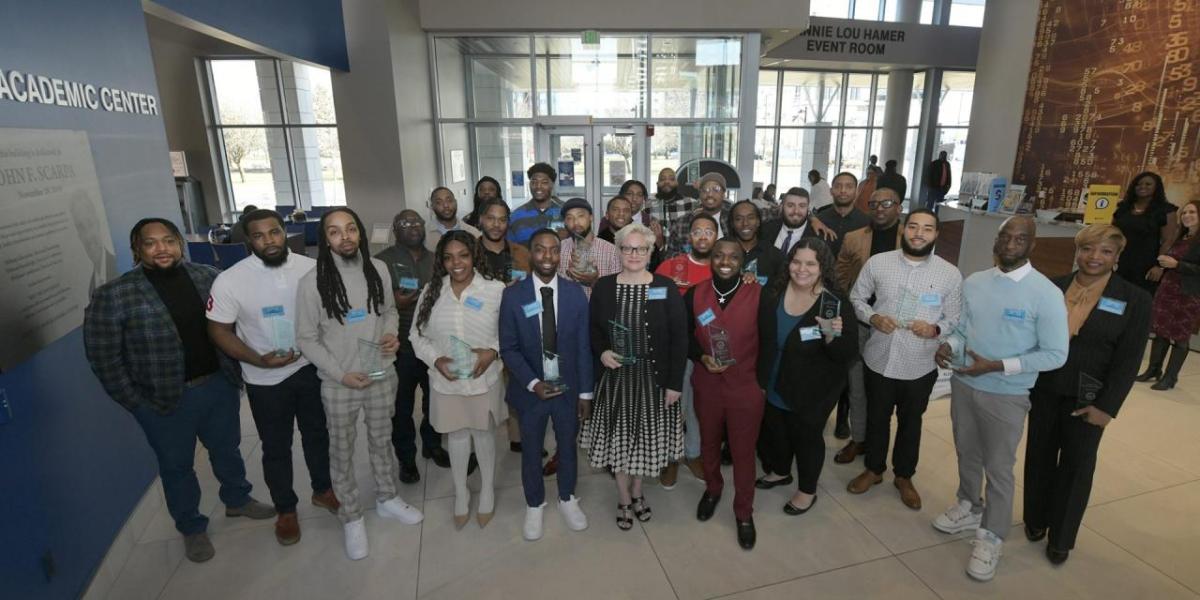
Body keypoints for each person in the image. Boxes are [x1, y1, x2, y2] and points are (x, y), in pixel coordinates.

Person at [85, 218, 274, 563]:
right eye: (151, 243)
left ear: (180, 244)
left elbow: (235, 326)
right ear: (136, 250)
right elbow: (103, 357)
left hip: (217, 385)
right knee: (177, 466)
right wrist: (136, 403)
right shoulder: (114, 295)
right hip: (163, 400)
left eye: (169, 241)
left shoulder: (208, 278)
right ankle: (191, 526)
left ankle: (237, 499)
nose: (162, 249)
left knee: (227, 448)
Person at [932, 216, 1068, 582]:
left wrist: (997, 366)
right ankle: (968, 504)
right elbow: (963, 330)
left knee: (999, 469)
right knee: (967, 452)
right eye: (1005, 235)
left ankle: (991, 536)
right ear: (996, 240)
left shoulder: (1046, 293)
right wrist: (949, 344)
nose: (1011, 242)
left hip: (1007, 395)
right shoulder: (976, 282)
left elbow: (1056, 354)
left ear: (1032, 245)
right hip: (964, 385)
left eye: (1020, 237)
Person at [295, 207, 424, 561]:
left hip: (380, 371)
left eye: (350, 228)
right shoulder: (312, 283)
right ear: (325, 239)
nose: (345, 236)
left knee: (382, 440)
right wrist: (339, 374)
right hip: (339, 382)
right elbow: (305, 338)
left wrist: (389, 336)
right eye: (335, 232)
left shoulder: (377, 269)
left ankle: (386, 497)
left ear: (360, 232)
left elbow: (388, 312)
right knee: (342, 450)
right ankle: (351, 516)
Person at [206, 209, 337, 546]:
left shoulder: (311, 268)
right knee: (276, 447)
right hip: (264, 379)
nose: (270, 241)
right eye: (260, 235)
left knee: (318, 435)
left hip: (310, 369)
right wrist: (257, 360)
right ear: (248, 240)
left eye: (275, 232)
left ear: (284, 231)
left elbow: (330, 316)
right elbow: (219, 330)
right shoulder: (230, 280)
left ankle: (322, 490)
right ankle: (286, 510)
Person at [1024, 224, 1151, 565]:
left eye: (1105, 251)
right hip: (1045, 389)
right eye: (1088, 249)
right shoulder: (1053, 287)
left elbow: (1129, 359)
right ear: (1076, 252)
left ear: (1117, 257)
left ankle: (1062, 538)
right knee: (1039, 456)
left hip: (1089, 398)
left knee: (1077, 466)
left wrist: (1107, 407)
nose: (1095, 258)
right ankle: (1035, 520)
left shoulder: (1134, 299)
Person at [846, 209, 962, 510]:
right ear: (903, 230)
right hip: (879, 358)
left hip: (920, 364)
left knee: (911, 422)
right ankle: (873, 469)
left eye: (927, 229)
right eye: (913, 227)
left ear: (936, 235)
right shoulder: (878, 263)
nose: (919, 234)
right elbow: (857, 299)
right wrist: (873, 317)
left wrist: (936, 329)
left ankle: (904, 475)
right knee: (877, 418)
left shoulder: (949, 274)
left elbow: (955, 318)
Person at [582, 222, 688, 530]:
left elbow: (680, 338)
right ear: (618, 250)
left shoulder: (665, 287)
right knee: (620, 443)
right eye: (627, 248)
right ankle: (624, 498)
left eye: (641, 248)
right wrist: (602, 351)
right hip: (616, 380)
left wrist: (674, 383)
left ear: (651, 251)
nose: (634, 254)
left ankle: (638, 491)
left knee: (643, 443)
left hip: (653, 380)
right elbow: (594, 330)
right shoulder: (603, 286)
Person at [498, 228, 593, 541]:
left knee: (567, 445)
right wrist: (533, 383)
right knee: (530, 451)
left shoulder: (575, 293)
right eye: (540, 250)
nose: (548, 257)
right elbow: (508, 348)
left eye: (554, 250)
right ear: (530, 254)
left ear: (560, 254)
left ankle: (567, 497)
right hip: (532, 391)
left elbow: (583, 346)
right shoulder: (513, 295)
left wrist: (585, 392)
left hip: (568, 389)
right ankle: (534, 503)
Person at [410, 230, 506, 530]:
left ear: (474, 256)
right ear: (441, 260)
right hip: (446, 381)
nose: (456, 263)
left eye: (463, 255)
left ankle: (487, 490)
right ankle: (461, 493)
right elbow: (416, 335)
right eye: (449, 257)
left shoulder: (495, 289)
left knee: (483, 434)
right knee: (457, 436)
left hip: (483, 378)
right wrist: (436, 360)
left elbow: (510, 332)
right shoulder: (431, 291)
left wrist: (493, 351)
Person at [755, 238, 858, 514]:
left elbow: (848, 353)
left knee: (806, 437)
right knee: (776, 429)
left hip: (813, 387)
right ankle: (779, 471)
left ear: (822, 266)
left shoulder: (834, 303)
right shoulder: (773, 292)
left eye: (811, 263)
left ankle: (807, 490)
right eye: (797, 261)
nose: (802, 269)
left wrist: (830, 335)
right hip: (774, 377)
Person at [685, 239, 764, 549]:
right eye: (719, 255)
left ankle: (744, 512)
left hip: (745, 386)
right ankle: (713, 489)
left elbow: (769, 341)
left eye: (733, 256)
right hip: (708, 383)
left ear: (743, 261)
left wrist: (762, 384)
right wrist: (700, 357)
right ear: (710, 259)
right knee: (708, 443)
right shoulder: (695, 294)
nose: (726, 261)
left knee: (744, 452)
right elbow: (685, 336)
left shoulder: (759, 294)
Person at [375, 210, 449, 482]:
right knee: (401, 406)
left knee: (434, 400)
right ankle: (406, 458)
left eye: (417, 222)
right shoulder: (382, 262)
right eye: (405, 223)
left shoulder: (436, 260)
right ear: (395, 229)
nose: (413, 227)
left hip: (432, 346)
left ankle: (432, 444)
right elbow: (372, 304)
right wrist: (394, 302)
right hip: (400, 347)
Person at [833, 187, 904, 461]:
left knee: (886, 391)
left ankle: (879, 447)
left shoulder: (910, 237)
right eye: (874, 204)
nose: (880, 208)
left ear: (898, 206)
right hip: (861, 322)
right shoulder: (853, 238)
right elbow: (839, 274)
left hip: (895, 326)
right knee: (857, 385)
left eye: (887, 202)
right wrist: (852, 307)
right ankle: (859, 439)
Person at [655, 213, 719, 486]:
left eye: (709, 231)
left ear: (717, 237)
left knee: (697, 406)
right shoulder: (671, 266)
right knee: (670, 405)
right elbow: (652, 303)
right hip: (672, 349)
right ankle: (669, 457)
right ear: (688, 236)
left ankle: (692, 453)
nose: (703, 236)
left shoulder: (724, 267)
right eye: (697, 231)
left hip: (706, 350)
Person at [1138, 200, 1200, 390]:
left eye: (1192, 212)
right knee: (1160, 332)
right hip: (1168, 291)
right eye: (1184, 213)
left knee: (1180, 338)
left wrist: (1177, 265)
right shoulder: (1181, 237)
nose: (1187, 216)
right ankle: (1153, 370)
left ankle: (1170, 377)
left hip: (1188, 295)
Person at [1113, 172, 1180, 296]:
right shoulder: (1123, 208)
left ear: (1157, 187)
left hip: (1147, 266)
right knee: (1114, 297)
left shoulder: (1166, 210)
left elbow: (1168, 241)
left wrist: (1159, 267)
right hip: (1119, 262)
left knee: (1138, 300)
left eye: (1148, 184)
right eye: (1138, 184)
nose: (1142, 186)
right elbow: (1113, 234)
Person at [558, 197, 621, 298]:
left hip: (598, 311)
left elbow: (616, 292)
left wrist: (594, 281)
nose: (576, 222)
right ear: (565, 222)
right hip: (569, 312)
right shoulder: (559, 249)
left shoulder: (611, 250)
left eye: (581, 216)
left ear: (591, 217)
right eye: (570, 218)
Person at [668, 172, 734, 257]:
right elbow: (670, 255)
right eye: (705, 190)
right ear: (700, 194)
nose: (710, 194)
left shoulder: (734, 218)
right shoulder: (682, 222)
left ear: (724, 194)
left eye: (716, 189)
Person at [814, 172, 871, 258]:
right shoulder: (819, 220)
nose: (843, 190)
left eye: (849, 187)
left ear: (856, 191)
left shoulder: (867, 223)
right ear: (831, 191)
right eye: (837, 186)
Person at [478, 198, 532, 286]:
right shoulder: (469, 253)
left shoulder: (523, 254)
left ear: (508, 223)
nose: (496, 224)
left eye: (502, 220)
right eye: (491, 218)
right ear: (480, 219)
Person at [729, 200, 785, 284]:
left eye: (750, 218)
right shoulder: (723, 252)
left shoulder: (774, 255)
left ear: (758, 222)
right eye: (738, 219)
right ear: (732, 223)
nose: (745, 223)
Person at [510, 163, 565, 246]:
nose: (538, 186)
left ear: (552, 185)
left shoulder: (565, 212)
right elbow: (511, 249)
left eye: (544, 182)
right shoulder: (516, 216)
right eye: (534, 182)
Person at [762, 187, 820, 256]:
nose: (796, 211)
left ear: (808, 208)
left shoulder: (818, 236)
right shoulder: (765, 229)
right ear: (782, 206)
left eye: (802, 206)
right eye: (790, 205)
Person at [656, 167, 699, 256]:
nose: (667, 182)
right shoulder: (648, 205)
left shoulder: (692, 203)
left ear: (677, 183)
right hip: (656, 259)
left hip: (683, 257)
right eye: (662, 179)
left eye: (671, 179)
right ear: (657, 183)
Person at [425, 186, 481, 252]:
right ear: (432, 207)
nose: (446, 205)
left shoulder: (473, 233)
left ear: (456, 202)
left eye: (449, 200)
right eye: (439, 202)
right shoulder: (424, 235)